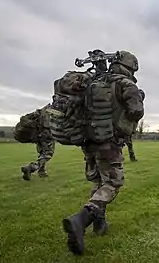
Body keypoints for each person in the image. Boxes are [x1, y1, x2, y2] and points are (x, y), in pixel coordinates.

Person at [62, 50, 144, 255]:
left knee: (98, 182)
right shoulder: (126, 84)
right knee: (113, 183)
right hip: (109, 141)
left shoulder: (95, 81)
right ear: (130, 67)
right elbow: (136, 111)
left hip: (87, 140)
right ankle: (81, 219)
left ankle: (99, 225)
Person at [17, 104, 55, 180]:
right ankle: (31, 168)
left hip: (38, 134)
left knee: (42, 153)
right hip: (46, 134)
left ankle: (42, 172)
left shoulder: (42, 110)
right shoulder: (54, 111)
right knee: (48, 153)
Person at [122, 89, 145, 162]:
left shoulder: (134, 104)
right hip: (126, 126)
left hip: (126, 126)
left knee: (125, 143)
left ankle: (130, 157)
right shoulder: (135, 105)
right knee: (123, 144)